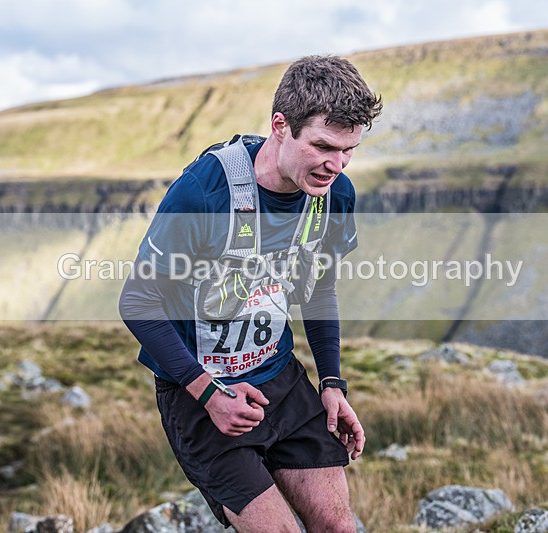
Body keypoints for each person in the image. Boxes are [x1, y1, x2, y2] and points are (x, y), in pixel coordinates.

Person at [119, 55, 382, 532]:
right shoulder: (203, 193)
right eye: (323, 146)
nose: (335, 165)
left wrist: (331, 384)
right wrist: (207, 392)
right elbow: (137, 301)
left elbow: (319, 290)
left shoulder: (335, 195)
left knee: (339, 527)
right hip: (199, 390)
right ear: (280, 126)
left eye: (349, 150)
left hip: (281, 381)